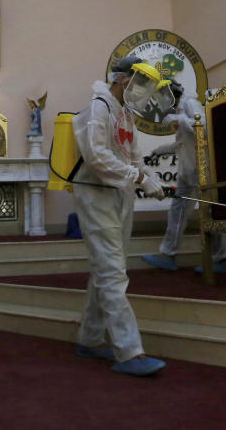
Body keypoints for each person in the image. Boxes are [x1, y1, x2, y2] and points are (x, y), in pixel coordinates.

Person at [71, 56, 169, 377]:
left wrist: (146, 177)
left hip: (119, 194)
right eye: (140, 84)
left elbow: (132, 153)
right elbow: (96, 156)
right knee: (112, 270)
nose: (142, 92)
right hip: (95, 193)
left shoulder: (125, 113)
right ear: (123, 79)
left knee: (108, 266)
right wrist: (138, 177)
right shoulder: (98, 108)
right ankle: (130, 351)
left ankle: (89, 338)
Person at [141, 82, 226, 273]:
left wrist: (180, 119)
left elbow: (204, 130)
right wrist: (161, 150)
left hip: (201, 169)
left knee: (209, 213)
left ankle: (220, 259)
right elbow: (184, 142)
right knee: (177, 212)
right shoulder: (181, 108)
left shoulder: (190, 104)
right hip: (188, 170)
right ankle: (168, 254)